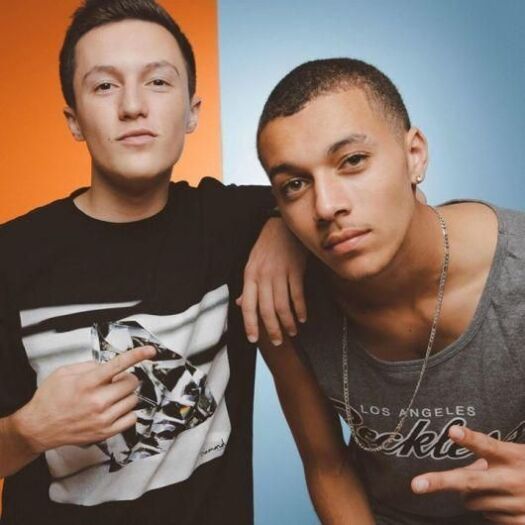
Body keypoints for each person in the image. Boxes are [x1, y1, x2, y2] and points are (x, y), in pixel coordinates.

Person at [0, 1, 304, 523]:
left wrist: (282, 228)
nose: (133, 106)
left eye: (158, 82)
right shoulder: (12, 256)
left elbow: (323, 197)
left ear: (193, 112)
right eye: (104, 86)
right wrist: (28, 431)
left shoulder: (232, 223)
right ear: (74, 120)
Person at [253, 58, 525, 524]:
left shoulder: (514, 275)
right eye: (295, 185)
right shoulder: (285, 300)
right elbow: (329, 466)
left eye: (353, 161)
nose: (327, 206)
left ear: (414, 155)